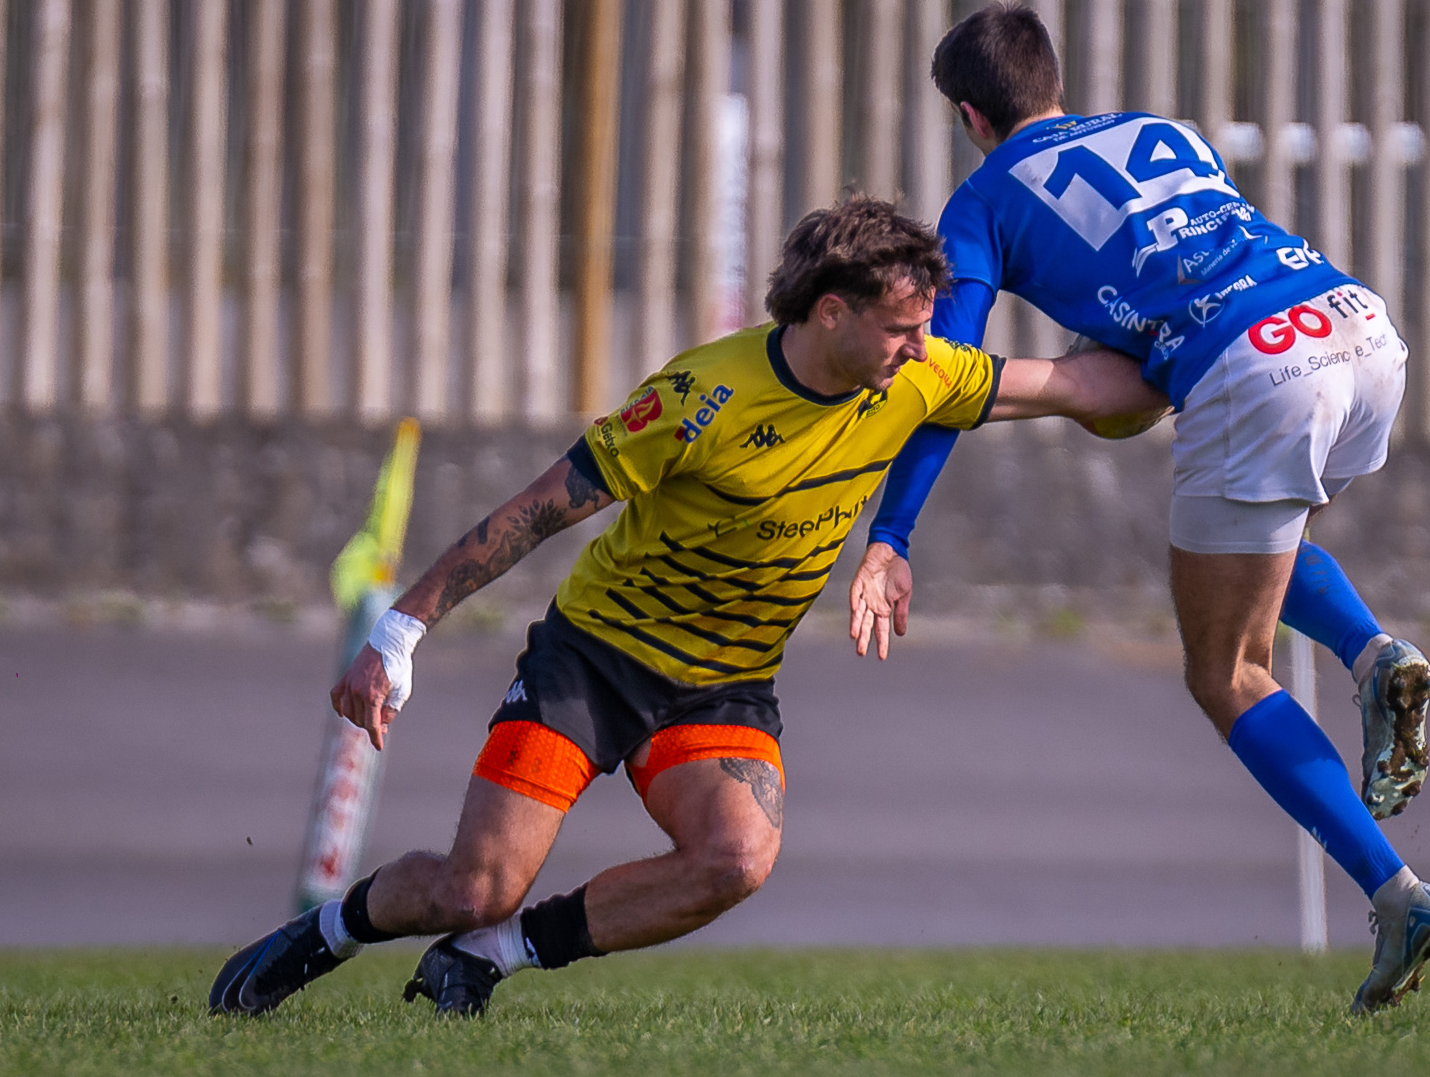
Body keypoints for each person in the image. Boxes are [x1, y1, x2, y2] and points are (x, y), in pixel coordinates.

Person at [210, 195, 1167, 1018]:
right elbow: (533, 512)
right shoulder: (699, 396)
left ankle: (490, 958)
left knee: (735, 857)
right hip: (593, 661)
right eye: (902, 328)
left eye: (926, 329)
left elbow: (1080, 387)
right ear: (832, 312)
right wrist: (399, 630)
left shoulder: (913, 379)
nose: (924, 347)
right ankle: (324, 934)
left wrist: (1207, 352)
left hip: (725, 686)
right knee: (477, 884)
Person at [847, 5, 1430, 1014]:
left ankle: (1398, 894)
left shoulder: (984, 197)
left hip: (1259, 372)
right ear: (1054, 79)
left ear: (969, 114)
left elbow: (943, 374)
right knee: (1259, 537)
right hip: (1355, 325)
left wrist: (892, 533)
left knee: (1225, 670)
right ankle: (1372, 655)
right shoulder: (1164, 132)